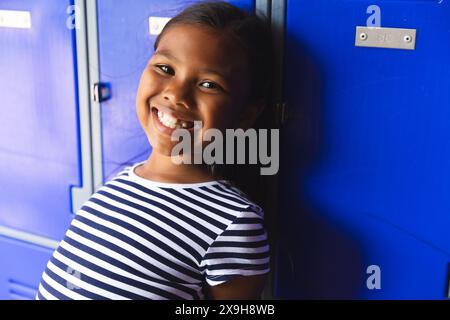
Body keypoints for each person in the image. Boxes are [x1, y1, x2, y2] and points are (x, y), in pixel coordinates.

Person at [36, 1, 274, 300]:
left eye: (209, 84)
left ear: (245, 116)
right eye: (165, 68)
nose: (175, 94)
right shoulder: (117, 184)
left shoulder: (233, 222)